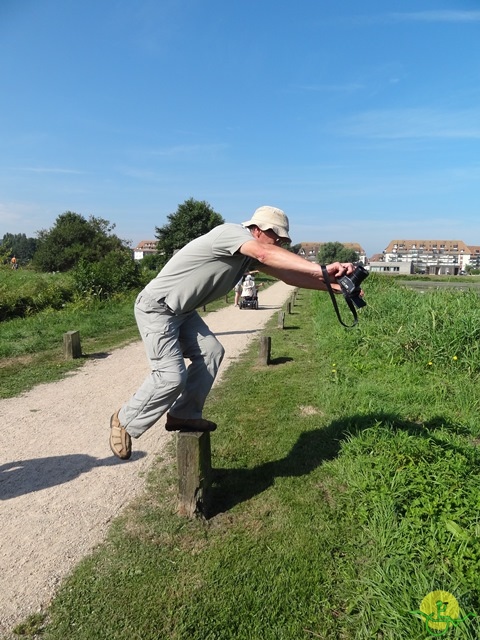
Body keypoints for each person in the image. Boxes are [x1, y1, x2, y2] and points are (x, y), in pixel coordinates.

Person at [109, 205, 357, 460]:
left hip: (182, 312)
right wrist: (322, 269)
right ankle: (124, 420)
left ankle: (184, 414)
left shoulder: (248, 256)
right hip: (157, 308)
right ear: (259, 230)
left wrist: (335, 287)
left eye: (283, 241)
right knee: (171, 377)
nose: (280, 244)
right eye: (278, 238)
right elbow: (264, 252)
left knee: (212, 352)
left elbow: (288, 276)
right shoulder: (229, 233)